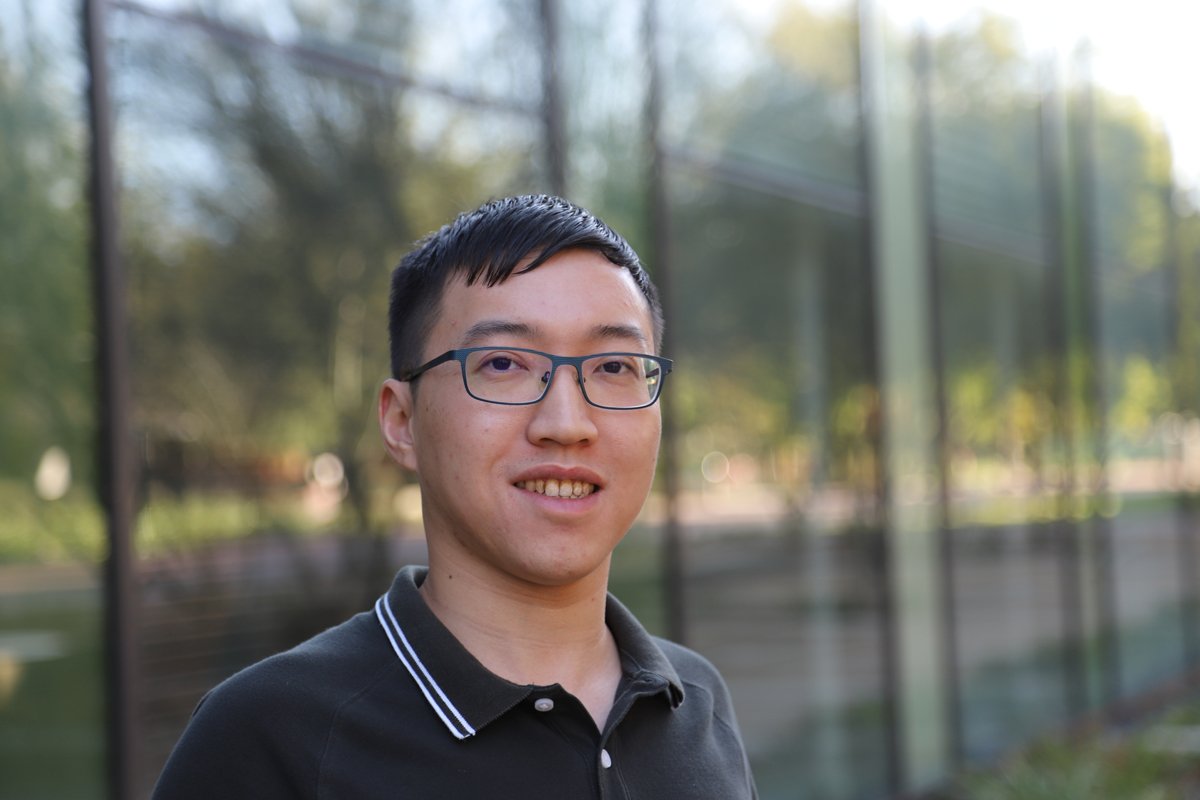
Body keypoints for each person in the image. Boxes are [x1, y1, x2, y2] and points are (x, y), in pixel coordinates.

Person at [152, 194, 758, 799]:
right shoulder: (272, 736)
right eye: (501, 363)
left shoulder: (696, 701)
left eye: (614, 367)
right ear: (401, 421)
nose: (567, 422)